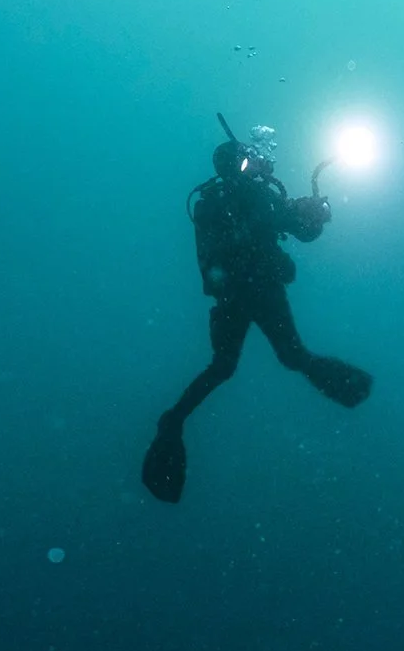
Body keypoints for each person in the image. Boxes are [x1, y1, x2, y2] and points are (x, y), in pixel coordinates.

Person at [141, 129, 372, 502]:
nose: (253, 167)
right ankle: (349, 386)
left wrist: (313, 215)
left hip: (233, 296)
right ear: (235, 164)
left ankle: (173, 421)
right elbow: (292, 228)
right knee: (289, 356)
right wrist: (311, 216)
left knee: (225, 365)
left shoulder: (218, 200)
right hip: (260, 291)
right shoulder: (245, 198)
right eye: (247, 162)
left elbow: (296, 229)